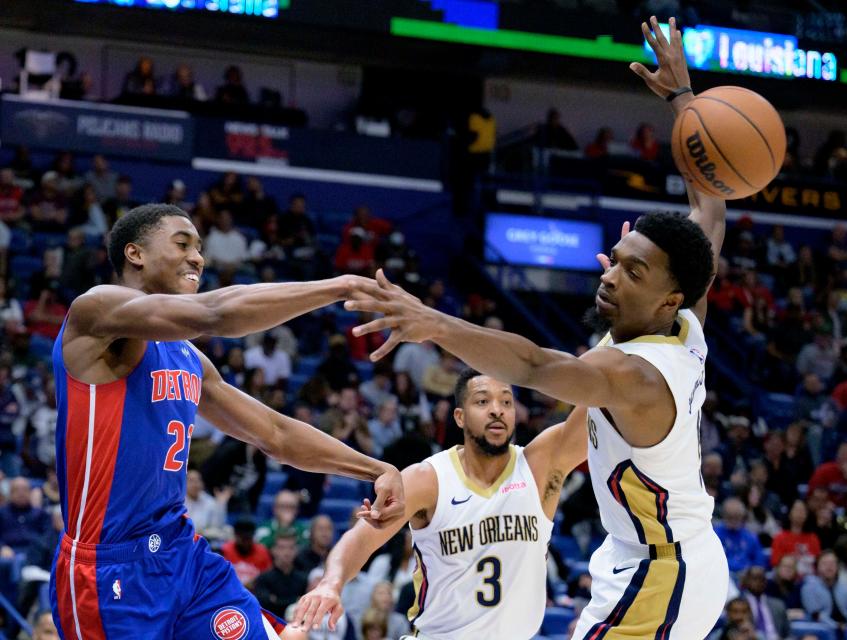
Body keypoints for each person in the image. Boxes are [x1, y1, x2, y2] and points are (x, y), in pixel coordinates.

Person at [342, 17, 729, 638]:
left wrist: (430, 321)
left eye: (634, 273)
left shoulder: (633, 372)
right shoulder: (681, 318)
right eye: (620, 259)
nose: (611, 275)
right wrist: (684, 100)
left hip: (665, 569)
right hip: (646, 559)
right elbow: (709, 209)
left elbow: (532, 365)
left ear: (669, 297)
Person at [49, 203, 403, 639]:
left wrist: (375, 468)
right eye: (183, 244)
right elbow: (215, 314)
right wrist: (341, 286)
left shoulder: (185, 358)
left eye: (200, 248)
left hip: (183, 557)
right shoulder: (95, 311)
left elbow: (274, 433)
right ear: (135, 253)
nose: (198, 257)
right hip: (109, 572)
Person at [294, 369, 587, 639]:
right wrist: (332, 583)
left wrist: (621, 341)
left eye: (506, 402)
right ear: (459, 417)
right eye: (483, 401)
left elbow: (605, 399)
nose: (497, 409)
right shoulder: (428, 479)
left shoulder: (540, 465)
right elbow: (360, 539)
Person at [800, 550, 847, 630]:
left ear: (837, 566)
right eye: (824, 563)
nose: (829, 567)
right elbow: (816, 615)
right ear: (817, 567)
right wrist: (837, 626)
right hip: (820, 629)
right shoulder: (809, 588)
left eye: (832, 563)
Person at [740, 566, 790, 640]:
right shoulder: (739, 604)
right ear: (746, 581)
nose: (758, 582)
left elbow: (787, 633)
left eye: (762, 579)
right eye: (754, 578)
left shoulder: (778, 605)